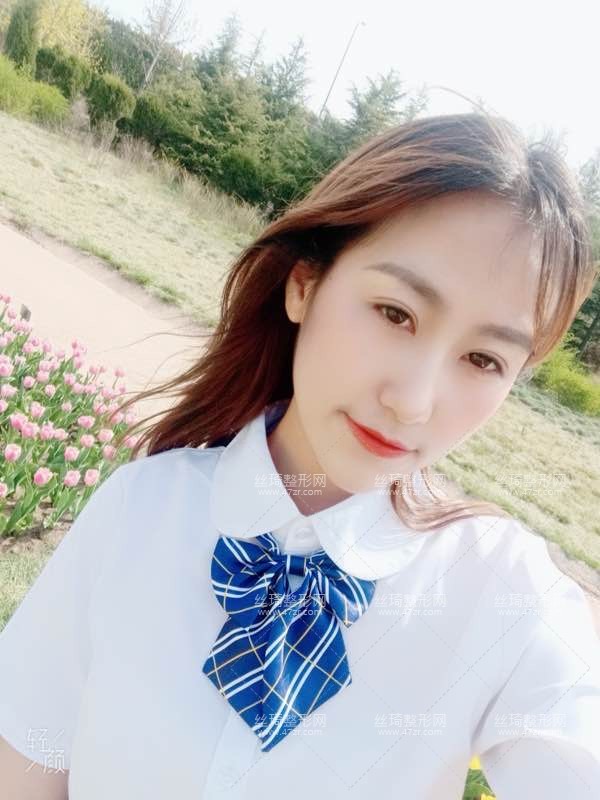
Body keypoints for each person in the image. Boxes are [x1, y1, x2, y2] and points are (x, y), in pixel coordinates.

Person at [1, 111, 599, 799]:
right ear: (304, 285)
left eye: (483, 359)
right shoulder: (141, 510)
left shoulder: (504, 597)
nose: (413, 402)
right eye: (396, 313)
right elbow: (29, 760)